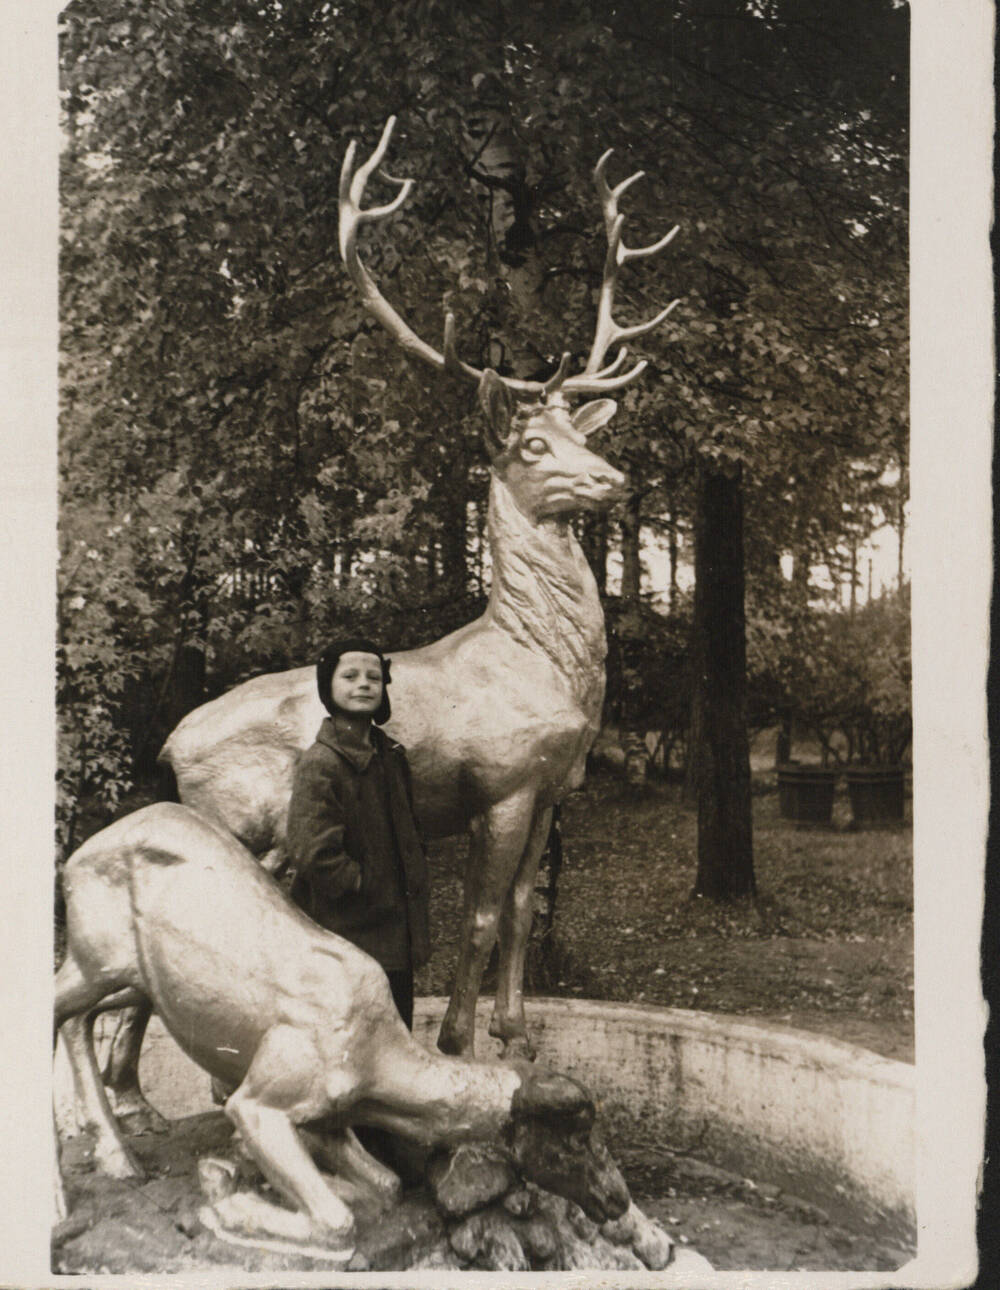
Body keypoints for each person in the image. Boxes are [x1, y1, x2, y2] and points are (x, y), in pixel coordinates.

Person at [286, 638, 429, 1029]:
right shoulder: (322, 763)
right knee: (349, 1042)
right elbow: (311, 852)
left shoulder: (392, 757)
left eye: (374, 677)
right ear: (327, 687)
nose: (364, 684)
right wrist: (366, 884)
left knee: (396, 1039)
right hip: (345, 935)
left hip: (393, 936)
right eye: (349, 676)